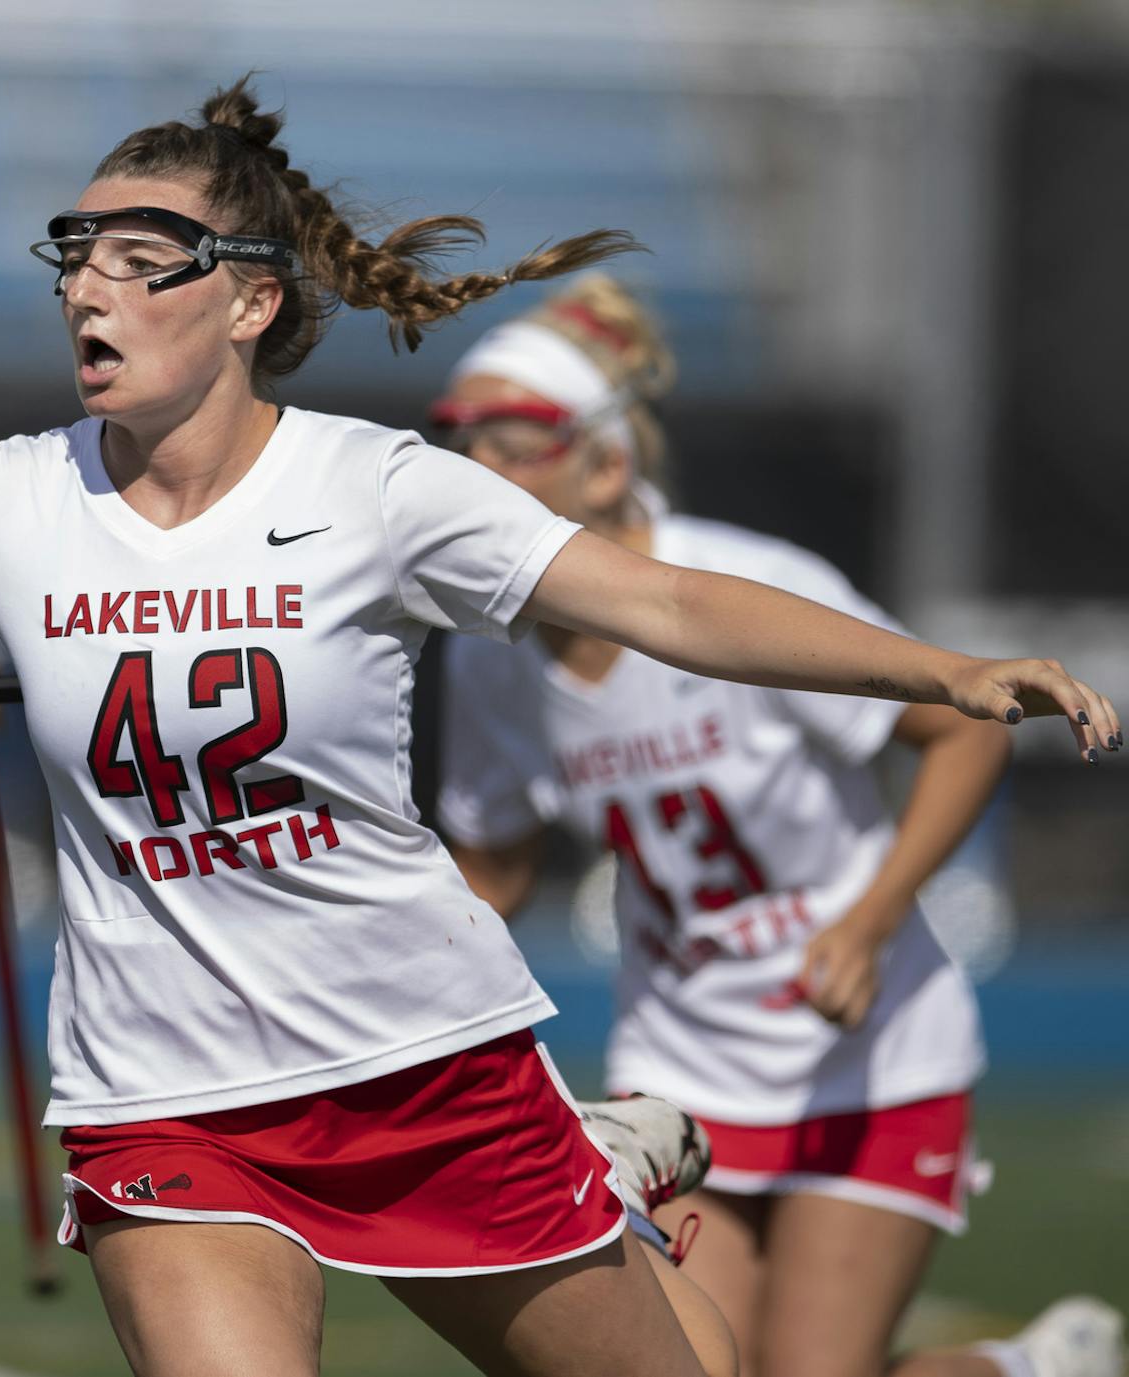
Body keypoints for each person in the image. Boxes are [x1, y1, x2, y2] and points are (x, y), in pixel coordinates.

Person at [0, 78, 1117, 1377]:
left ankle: (618, 1163)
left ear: (250, 298)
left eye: (140, 251)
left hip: (426, 1066)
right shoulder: (2, 502)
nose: (87, 283)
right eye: (73, 250)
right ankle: (621, 1155)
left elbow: (665, 605)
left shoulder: (384, 491)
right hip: (168, 1093)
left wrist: (936, 672)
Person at [430, 276, 1125, 1377]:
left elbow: (964, 733)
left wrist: (870, 922)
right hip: (685, 1063)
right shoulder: (484, 655)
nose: (476, 472)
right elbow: (496, 860)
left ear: (607, 464)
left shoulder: (747, 584)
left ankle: (1025, 1369)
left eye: (514, 440)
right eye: (455, 441)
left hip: (870, 1052)